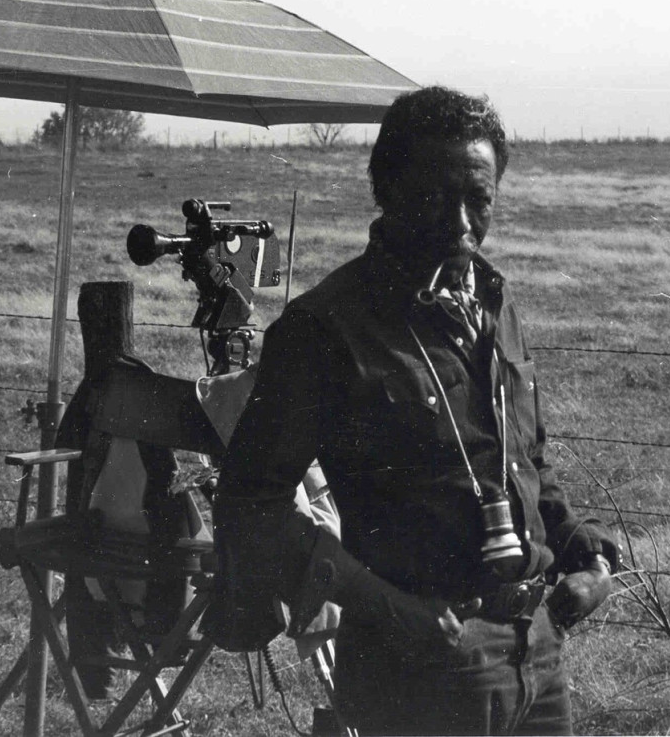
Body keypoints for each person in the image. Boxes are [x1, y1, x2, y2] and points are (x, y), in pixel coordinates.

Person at [204, 86, 620, 736]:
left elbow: (527, 464)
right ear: (387, 188)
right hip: (415, 668)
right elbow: (248, 503)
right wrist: (387, 607)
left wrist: (586, 559)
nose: (459, 222)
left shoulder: (493, 304)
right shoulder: (324, 327)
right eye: (433, 196)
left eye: (477, 200)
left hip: (536, 655)